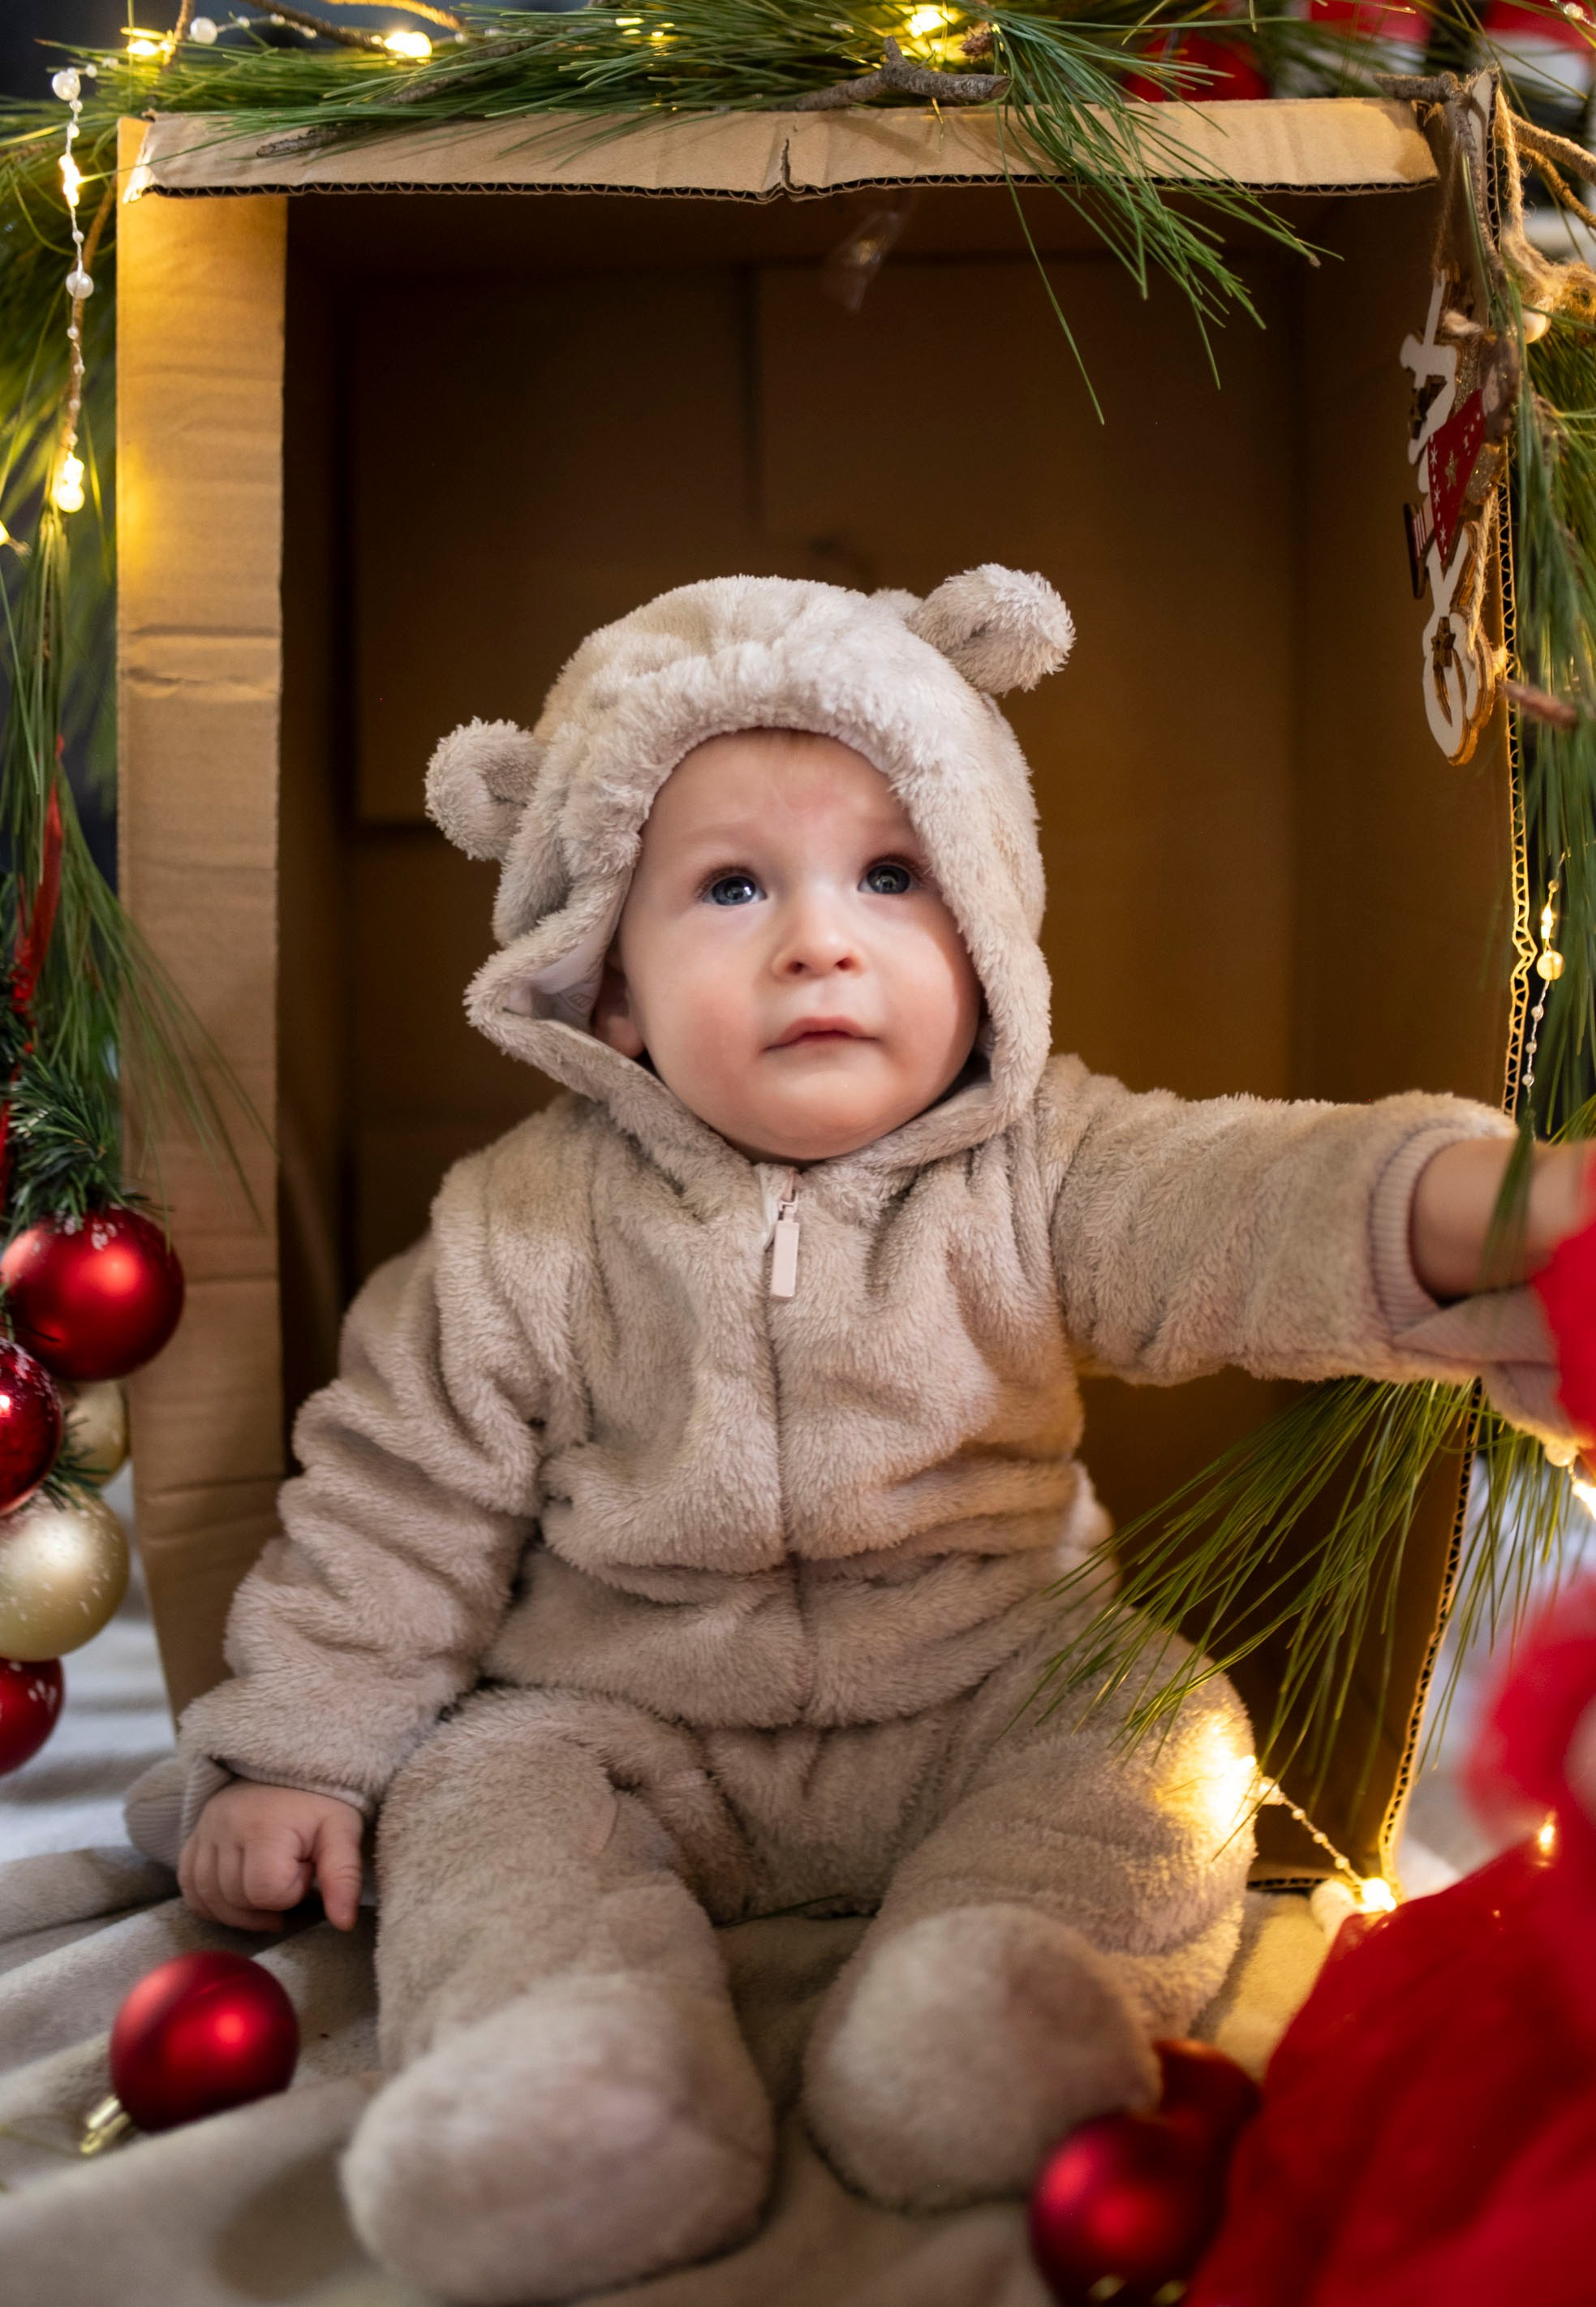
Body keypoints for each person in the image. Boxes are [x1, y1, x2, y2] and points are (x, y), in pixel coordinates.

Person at [140, 567, 1586, 2304]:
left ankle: (987, 2009)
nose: (820, 938)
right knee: (481, 1798)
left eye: (892, 877)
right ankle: (576, 2082)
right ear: (605, 991)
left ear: (982, 937)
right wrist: (304, 1747)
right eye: (734, 886)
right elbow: (397, 1493)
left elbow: (1247, 1200)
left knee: (1162, 1739)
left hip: (985, 1684)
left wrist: (1489, 1210)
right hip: (635, 1718)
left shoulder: (1050, 1171)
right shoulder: (519, 1228)